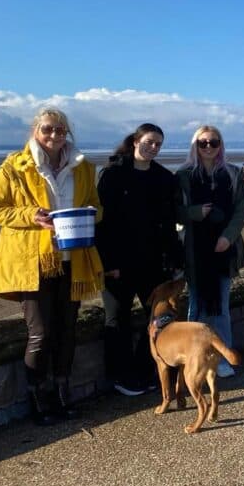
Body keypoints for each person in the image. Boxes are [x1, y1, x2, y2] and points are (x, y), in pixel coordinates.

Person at [0, 107, 104, 425]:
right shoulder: (15, 166)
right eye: (48, 129)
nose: (54, 135)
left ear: (68, 134)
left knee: (67, 330)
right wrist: (30, 216)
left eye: (60, 130)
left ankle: (63, 392)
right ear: (35, 131)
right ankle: (39, 397)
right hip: (32, 261)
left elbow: (97, 206)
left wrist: (90, 215)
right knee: (41, 332)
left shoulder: (83, 167)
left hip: (73, 258)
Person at [96, 123, 183, 395]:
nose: (153, 147)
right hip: (117, 265)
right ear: (136, 141)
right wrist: (108, 264)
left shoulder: (164, 178)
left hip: (153, 263)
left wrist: (175, 261)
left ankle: (147, 372)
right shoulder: (112, 174)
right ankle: (121, 377)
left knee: (157, 320)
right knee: (117, 320)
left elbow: (169, 226)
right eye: (149, 141)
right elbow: (101, 224)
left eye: (158, 144)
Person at [176, 126, 244, 377]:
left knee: (221, 306)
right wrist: (196, 212)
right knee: (196, 307)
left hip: (224, 251)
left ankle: (221, 358)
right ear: (194, 145)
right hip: (195, 252)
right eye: (202, 143)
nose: (208, 147)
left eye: (213, 142)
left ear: (221, 145)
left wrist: (227, 238)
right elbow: (174, 211)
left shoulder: (233, 173)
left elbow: (241, 210)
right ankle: (194, 360)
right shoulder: (183, 175)